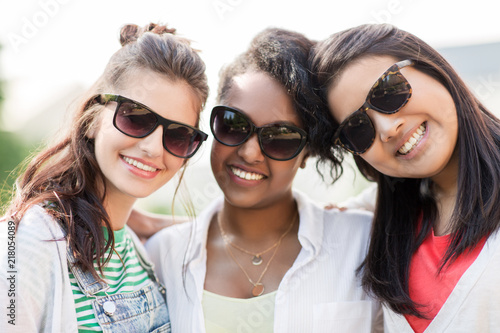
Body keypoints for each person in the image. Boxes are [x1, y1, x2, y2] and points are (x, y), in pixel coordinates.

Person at [144, 27, 382, 333]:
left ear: (307, 151)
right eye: (233, 124)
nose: (250, 152)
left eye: (280, 137)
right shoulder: (162, 255)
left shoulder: (362, 246)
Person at [0, 22, 209, 332]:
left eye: (178, 135)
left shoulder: (136, 248)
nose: (153, 148)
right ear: (93, 119)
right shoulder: (28, 242)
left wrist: (150, 223)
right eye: (136, 117)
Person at [310, 23, 500, 332]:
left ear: (432, 66)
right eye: (358, 129)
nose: (387, 129)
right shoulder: (379, 229)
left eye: (388, 92)